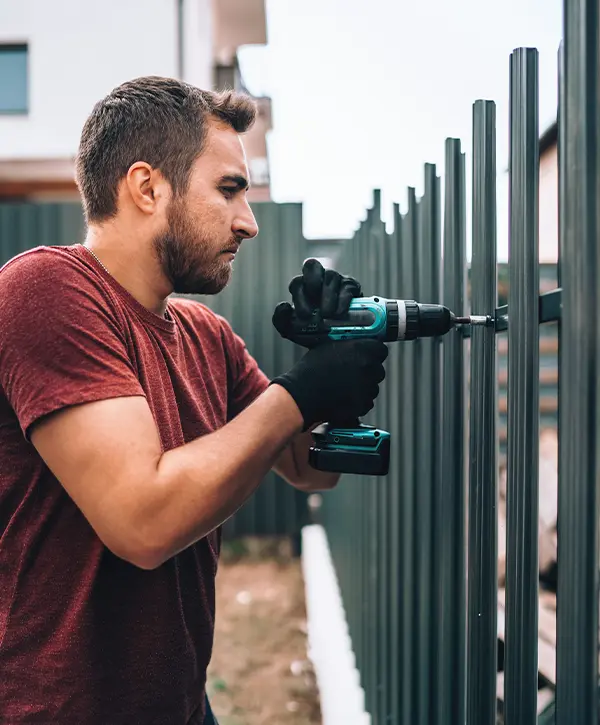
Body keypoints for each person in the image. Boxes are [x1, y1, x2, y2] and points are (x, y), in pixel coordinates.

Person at [0, 76, 388, 725]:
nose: (250, 222)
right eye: (230, 189)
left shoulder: (206, 336)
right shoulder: (44, 291)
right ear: (147, 187)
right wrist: (303, 390)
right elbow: (142, 522)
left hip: (180, 706)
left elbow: (305, 465)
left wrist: (332, 372)